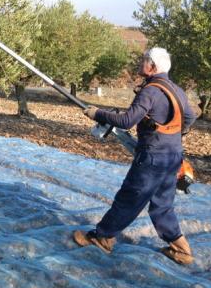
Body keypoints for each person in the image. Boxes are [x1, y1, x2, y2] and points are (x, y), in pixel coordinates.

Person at [73, 47, 197, 265]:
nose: (141, 62)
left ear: (153, 66)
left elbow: (126, 121)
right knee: (162, 205)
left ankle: (102, 238)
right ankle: (181, 250)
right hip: (173, 156)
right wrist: (173, 134)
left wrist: (97, 113)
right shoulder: (176, 89)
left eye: (144, 60)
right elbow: (190, 117)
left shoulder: (150, 91)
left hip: (152, 158)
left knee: (129, 198)